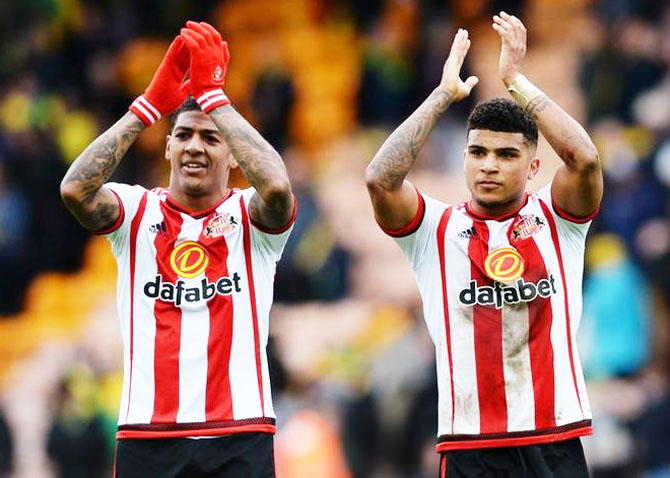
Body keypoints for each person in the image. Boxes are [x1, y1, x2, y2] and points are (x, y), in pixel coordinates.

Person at [365, 12, 602, 478]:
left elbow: (586, 159)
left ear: (533, 167)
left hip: (554, 439)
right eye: (478, 152)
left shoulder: (558, 221)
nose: (489, 165)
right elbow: (380, 179)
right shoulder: (434, 230)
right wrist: (440, 97)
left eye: (507, 154)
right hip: (470, 445)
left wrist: (516, 81)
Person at [60, 21, 295, 478]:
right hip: (149, 437)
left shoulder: (251, 217)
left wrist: (216, 99)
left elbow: (279, 187)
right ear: (166, 146)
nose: (194, 147)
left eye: (211, 138)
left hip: (239, 435)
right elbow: (75, 190)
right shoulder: (134, 210)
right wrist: (146, 107)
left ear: (233, 155)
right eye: (184, 134)